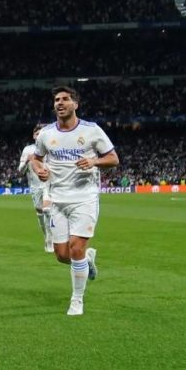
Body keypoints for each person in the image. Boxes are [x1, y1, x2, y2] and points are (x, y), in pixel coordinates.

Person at [31, 86, 119, 316]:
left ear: (75, 104)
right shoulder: (46, 134)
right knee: (62, 255)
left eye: (65, 99)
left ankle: (77, 300)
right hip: (57, 200)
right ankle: (86, 261)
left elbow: (113, 158)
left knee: (76, 247)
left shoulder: (92, 130)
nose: (60, 103)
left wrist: (94, 162)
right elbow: (36, 159)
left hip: (84, 198)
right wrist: (40, 170)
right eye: (57, 100)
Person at [17, 124, 53, 252]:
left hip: (49, 183)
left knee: (47, 210)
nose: (40, 136)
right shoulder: (28, 150)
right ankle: (46, 236)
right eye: (38, 134)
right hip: (35, 186)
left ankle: (50, 239)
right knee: (40, 213)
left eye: (42, 133)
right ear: (34, 136)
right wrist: (27, 161)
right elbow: (20, 171)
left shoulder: (51, 147)